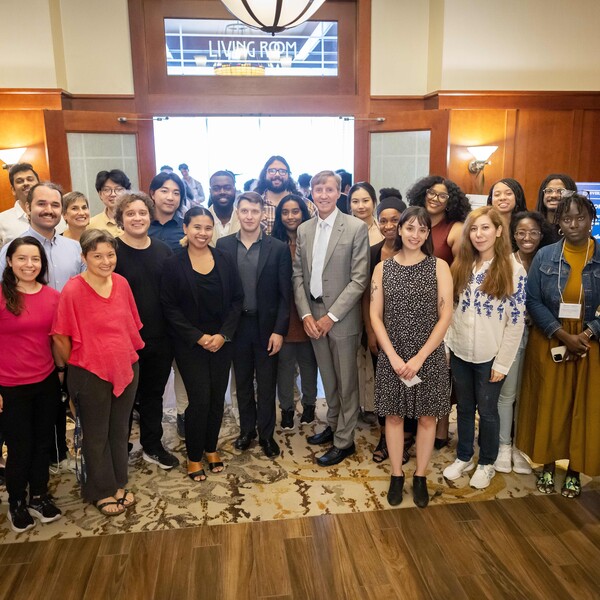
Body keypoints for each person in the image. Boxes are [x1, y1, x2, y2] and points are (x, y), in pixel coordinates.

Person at [52, 229, 144, 516]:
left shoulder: (122, 283)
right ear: (84, 257)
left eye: (111, 255)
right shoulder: (73, 289)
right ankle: (100, 490)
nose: (106, 261)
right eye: (97, 256)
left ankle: (117, 482)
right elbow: (60, 337)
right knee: (95, 434)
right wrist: (82, 363)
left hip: (126, 367)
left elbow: (130, 325)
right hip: (89, 373)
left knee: (119, 430)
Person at [516, 194, 600, 498]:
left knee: (581, 407)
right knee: (550, 405)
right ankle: (549, 465)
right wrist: (563, 335)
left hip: (590, 343)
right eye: (567, 219)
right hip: (551, 338)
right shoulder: (546, 255)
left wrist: (587, 334)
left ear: (591, 218)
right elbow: (533, 300)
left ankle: (574, 470)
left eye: (580, 217)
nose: (574, 224)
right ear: (559, 222)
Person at [370, 207, 453, 507]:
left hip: (427, 354)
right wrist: (391, 356)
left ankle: (420, 475)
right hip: (393, 353)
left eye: (421, 230)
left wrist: (419, 357)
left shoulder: (439, 266)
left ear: (427, 234)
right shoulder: (383, 268)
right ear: (400, 230)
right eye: (409, 228)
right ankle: (396, 474)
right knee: (393, 416)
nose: (415, 235)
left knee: (427, 418)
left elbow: (445, 315)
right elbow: (375, 315)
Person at [443, 206, 526, 489]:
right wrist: (447, 346)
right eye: (474, 229)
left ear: (499, 231)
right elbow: (452, 309)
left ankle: (487, 461)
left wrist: (503, 363)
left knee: (488, 412)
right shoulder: (463, 264)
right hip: (460, 351)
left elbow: (515, 322)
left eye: (485, 228)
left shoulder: (513, 269)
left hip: (490, 357)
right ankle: (465, 455)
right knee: (464, 408)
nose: (479, 235)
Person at [293, 170, 369, 466]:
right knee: (329, 378)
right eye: (318, 189)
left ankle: (344, 441)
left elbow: (359, 279)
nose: (323, 194)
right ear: (311, 193)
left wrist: (331, 316)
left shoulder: (354, 228)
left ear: (339, 193)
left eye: (329, 189)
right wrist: (306, 314)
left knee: (347, 381)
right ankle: (334, 424)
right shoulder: (304, 229)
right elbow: (298, 275)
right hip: (313, 315)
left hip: (342, 319)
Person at [161, 207, 243, 481]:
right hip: (190, 344)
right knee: (199, 399)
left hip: (222, 341)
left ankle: (211, 448)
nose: (203, 233)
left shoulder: (224, 258)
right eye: (197, 227)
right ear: (185, 229)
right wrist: (198, 336)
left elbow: (236, 301)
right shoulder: (173, 264)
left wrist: (222, 335)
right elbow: (169, 307)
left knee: (217, 398)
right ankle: (194, 455)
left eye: (208, 228)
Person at [218, 192, 292, 458]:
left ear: (263, 214)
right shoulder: (223, 246)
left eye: (255, 211)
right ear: (238, 212)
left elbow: (286, 295)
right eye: (245, 211)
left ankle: (266, 435)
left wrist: (279, 331)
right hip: (237, 327)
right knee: (243, 383)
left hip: (266, 327)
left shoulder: (278, 248)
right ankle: (246, 431)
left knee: (267, 382)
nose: (249, 216)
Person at [0, 237, 63, 532]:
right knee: (19, 446)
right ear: (10, 262)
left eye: (35, 259)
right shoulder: (2, 295)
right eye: (22, 259)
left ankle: (39, 495)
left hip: (45, 380)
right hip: (9, 386)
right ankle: (16, 501)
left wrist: (62, 374)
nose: (29, 265)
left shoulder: (52, 296)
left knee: (42, 443)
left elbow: (55, 339)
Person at [114, 193, 179, 470]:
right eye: (130, 213)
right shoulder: (112, 251)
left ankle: (153, 445)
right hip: (123, 339)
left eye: (142, 212)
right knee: (124, 398)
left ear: (150, 215)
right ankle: (117, 450)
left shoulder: (164, 250)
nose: (137, 218)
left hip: (160, 337)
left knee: (153, 395)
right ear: (121, 219)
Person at [407, 175, 471, 448]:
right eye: (431, 192)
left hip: (442, 310)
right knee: (412, 369)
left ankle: (441, 431)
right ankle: (413, 425)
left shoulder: (455, 229)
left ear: (450, 201)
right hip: (411, 309)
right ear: (422, 193)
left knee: (441, 374)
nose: (435, 198)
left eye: (442, 195)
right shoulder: (413, 223)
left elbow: (461, 273)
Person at [494, 211, 547, 475]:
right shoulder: (504, 262)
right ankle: (504, 445)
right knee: (508, 393)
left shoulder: (546, 261)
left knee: (529, 394)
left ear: (541, 235)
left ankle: (520, 446)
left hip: (541, 336)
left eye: (533, 232)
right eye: (521, 232)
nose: (527, 238)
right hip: (511, 337)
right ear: (513, 235)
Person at [363, 195, 407, 462]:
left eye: (395, 219)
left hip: (410, 334)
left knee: (408, 384)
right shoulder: (373, 252)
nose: (389, 225)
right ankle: (385, 435)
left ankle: (407, 435)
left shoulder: (416, 251)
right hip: (379, 332)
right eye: (383, 220)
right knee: (384, 386)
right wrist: (370, 333)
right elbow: (366, 297)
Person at [272, 194, 318, 428]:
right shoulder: (273, 244)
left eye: (295, 211)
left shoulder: (314, 240)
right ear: (279, 217)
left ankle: (309, 406)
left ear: (304, 212)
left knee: (309, 365)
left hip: (310, 313)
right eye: (285, 212)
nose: (291, 216)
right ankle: (287, 409)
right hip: (283, 315)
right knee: (285, 367)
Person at [347, 182, 383, 427]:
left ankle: (373, 405)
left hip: (376, 301)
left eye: (365, 200)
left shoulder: (384, 232)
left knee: (374, 352)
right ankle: (355, 405)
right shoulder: (345, 230)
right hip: (349, 302)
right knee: (352, 357)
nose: (360, 206)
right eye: (355, 201)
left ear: (374, 202)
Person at [255, 156, 316, 234]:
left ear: (288, 175)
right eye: (272, 171)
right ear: (265, 174)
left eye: (282, 171)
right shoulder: (254, 205)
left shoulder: (307, 205)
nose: (277, 175)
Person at [535, 173, 578, 244]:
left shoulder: (576, 228)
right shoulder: (533, 224)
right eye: (549, 191)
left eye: (560, 191)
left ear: (571, 194)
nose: (554, 195)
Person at [148, 172, 186, 251]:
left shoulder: (186, 228)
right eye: (164, 191)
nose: (170, 198)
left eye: (176, 193)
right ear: (152, 194)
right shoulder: (143, 226)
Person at [486, 178, 527, 247]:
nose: (502, 198)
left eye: (508, 193)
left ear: (517, 197)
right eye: (497, 194)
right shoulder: (484, 223)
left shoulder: (527, 223)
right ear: (491, 199)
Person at [89, 169, 131, 236]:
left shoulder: (136, 219)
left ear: (128, 192)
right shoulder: (91, 225)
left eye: (118, 189)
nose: (113, 194)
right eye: (107, 190)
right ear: (100, 194)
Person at [208, 170, 241, 245]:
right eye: (216, 188)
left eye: (227, 188)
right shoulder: (200, 220)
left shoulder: (245, 220)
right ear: (210, 191)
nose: (222, 192)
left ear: (235, 190)